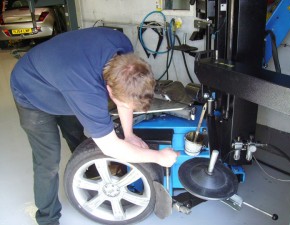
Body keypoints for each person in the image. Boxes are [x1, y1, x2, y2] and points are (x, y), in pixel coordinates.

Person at [10, 27, 179, 225]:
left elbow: (122, 100)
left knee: (78, 140)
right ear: (108, 89)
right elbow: (110, 146)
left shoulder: (123, 47)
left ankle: (87, 179)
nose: (125, 107)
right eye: (124, 104)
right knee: (48, 162)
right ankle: (47, 218)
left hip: (61, 80)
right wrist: (158, 157)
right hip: (31, 90)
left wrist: (129, 134)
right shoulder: (87, 92)